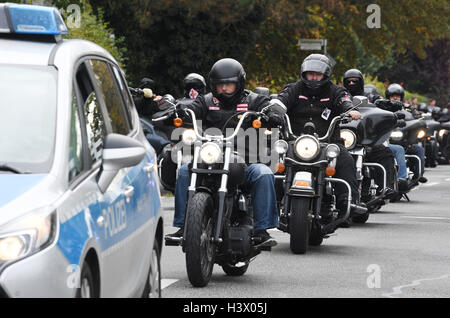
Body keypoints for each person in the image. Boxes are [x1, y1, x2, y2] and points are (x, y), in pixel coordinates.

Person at [165, 58, 280, 247]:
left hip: (246, 162)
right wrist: (179, 113)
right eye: (220, 85)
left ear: (239, 83)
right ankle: (183, 225)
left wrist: (274, 114)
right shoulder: (207, 101)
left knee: (264, 173)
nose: (224, 89)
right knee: (185, 170)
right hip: (211, 158)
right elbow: (191, 110)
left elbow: (268, 107)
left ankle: (262, 230)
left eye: (229, 84)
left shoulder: (253, 100)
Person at [275, 54, 363, 228]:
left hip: (328, 142)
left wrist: (349, 110)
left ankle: (347, 202)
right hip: (295, 142)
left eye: (317, 74)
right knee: (272, 159)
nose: (314, 78)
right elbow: (281, 101)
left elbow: (344, 101)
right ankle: (270, 201)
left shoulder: (336, 91)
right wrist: (274, 109)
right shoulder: (293, 89)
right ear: (304, 73)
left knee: (345, 158)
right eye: (310, 74)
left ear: (325, 74)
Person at [343, 69, 397, 199]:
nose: (351, 83)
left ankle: (385, 186)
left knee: (385, 153)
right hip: (344, 138)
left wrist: (388, 104)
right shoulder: (341, 95)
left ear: (360, 82)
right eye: (348, 81)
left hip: (364, 138)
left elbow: (379, 101)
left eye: (354, 81)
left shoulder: (369, 96)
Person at [385, 83, 427, 183]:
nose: (395, 98)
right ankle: (401, 179)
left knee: (419, 149)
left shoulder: (406, 108)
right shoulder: (383, 109)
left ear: (401, 97)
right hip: (388, 140)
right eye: (392, 96)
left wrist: (414, 111)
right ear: (388, 97)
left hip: (404, 140)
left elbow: (417, 118)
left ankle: (418, 174)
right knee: (398, 150)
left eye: (397, 96)